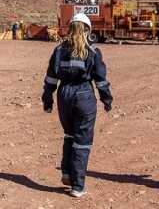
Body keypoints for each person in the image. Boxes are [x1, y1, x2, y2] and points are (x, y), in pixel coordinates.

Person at [42, 13, 113, 198]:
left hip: (64, 95)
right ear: (88, 30)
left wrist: (47, 99)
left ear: (70, 28)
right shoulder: (93, 50)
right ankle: (77, 186)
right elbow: (101, 79)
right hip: (83, 95)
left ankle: (66, 172)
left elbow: (51, 78)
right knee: (82, 141)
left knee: (69, 135)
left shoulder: (59, 50)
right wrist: (106, 99)